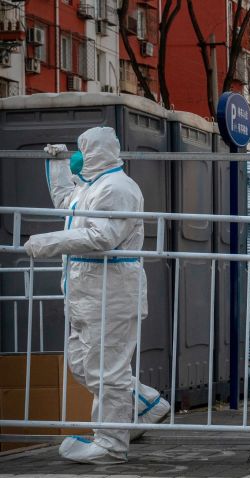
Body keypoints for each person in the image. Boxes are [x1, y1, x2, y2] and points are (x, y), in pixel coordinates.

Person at [25, 128, 169, 464]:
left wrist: (47, 243)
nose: (78, 155)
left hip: (113, 292)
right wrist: (59, 163)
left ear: (95, 152)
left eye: (80, 150)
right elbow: (67, 201)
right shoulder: (91, 187)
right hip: (89, 291)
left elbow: (104, 236)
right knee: (82, 363)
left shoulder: (117, 188)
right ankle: (145, 406)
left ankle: (110, 443)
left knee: (108, 370)